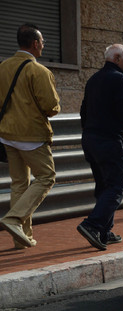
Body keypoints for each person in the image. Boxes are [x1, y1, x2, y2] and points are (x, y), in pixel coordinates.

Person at [0, 24, 60, 249]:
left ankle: (21, 239)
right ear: (35, 44)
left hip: (6, 134)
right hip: (32, 135)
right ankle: (14, 219)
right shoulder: (40, 71)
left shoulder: (2, 67)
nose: (43, 45)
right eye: (42, 42)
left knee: (19, 184)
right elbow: (51, 107)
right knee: (46, 177)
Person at [77, 44, 123, 250]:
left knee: (104, 186)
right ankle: (93, 225)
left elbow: (83, 112)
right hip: (107, 141)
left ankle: (104, 231)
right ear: (116, 59)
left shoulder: (94, 79)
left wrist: (90, 134)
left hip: (90, 139)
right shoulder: (119, 79)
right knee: (115, 186)